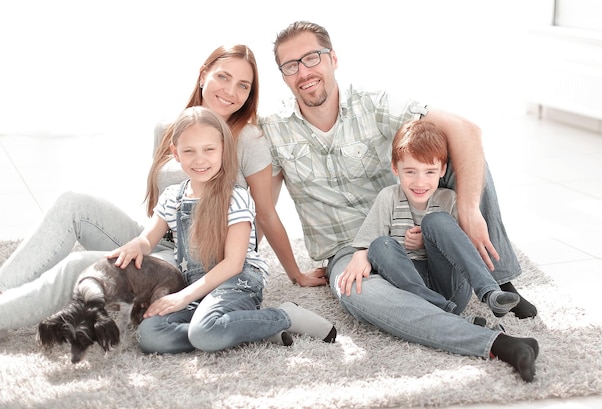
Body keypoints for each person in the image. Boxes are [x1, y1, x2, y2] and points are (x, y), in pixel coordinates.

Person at [259, 21, 538, 382]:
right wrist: (291, 271)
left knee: (463, 157)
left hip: (412, 226)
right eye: (290, 65)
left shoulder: (373, 104)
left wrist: (468, 210)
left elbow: (468, 131)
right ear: (282, 75)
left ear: (332, 59)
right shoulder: (274, 129)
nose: (304, 72)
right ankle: (499, 343)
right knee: (354, 292)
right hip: (349, 251)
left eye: (311, 58)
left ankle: (498, 280)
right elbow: (262, 208)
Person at [0, 44, 324, 338]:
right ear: (203, 76)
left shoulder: (248, 140)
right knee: (72, 202)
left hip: (190, 259)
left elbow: (264, 212)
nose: (230, 91)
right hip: (158, 238)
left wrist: (295, 273)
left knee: (79, 265)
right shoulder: (168, 128)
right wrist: (140, 243)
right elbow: (161, 206)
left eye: (243, 85)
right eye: (223, 77)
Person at [107, 106, 335, 353]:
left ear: (223, 151)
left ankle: (284, 316)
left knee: (204, 333)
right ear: (175, 153)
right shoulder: (174, 196)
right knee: (150, 336)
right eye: (189, 151)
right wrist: (135, 246)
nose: (200, 159)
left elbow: (233, 264)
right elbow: (147, 239)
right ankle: (246, 329)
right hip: (196, 286)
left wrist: (182, 298)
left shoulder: (235, 197)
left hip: (236, 282)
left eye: (209, 149)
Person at [352, 120, 520, 317]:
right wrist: (361, 253)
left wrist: (426, 241)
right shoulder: (388, 197)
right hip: (414, 290)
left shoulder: (449, 199)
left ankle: (490, 292)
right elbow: (370, 244)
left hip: (451, 289)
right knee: (380, 245)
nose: (419, 182)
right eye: (410, 172)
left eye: (429, 172)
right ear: (395, 168)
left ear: (442, 170)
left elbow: (461, 248)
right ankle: (443, 312)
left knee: (436, 221)